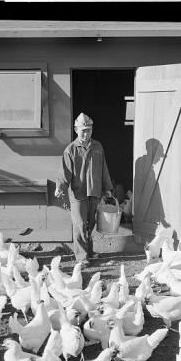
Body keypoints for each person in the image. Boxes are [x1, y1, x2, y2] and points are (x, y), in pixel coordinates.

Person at [55, 112, 113, 267]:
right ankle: (81, 256)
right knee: (80, 224)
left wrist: (107, 188)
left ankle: (89, 250)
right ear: (76, 130)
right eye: (83, 130)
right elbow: (64, 172)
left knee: (91, 223)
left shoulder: (98, 147)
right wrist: (60, 187)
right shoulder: (70, 150)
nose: (86, 133)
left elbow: (103, 168)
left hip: (94, 191)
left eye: (89, 130)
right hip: (78, 193)